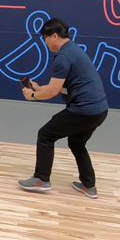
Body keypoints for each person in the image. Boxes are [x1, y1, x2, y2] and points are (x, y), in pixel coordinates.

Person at [18, 18, 108, 198]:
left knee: (46, 135)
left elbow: (52, 91)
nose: (45, 43)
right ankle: (89, 185)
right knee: (77, 143)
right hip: (99, 111)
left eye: (45, 38)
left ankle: (41, 179)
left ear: (54, 36)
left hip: (83, 111)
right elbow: (61, 86)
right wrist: (39, 89)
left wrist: (33, 96)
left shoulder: (63, 57)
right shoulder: (73, 50)